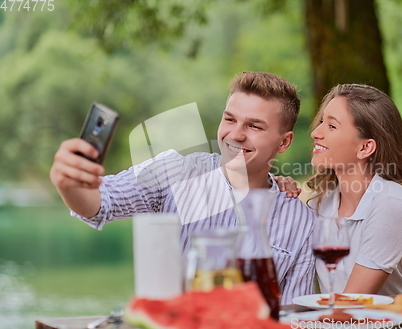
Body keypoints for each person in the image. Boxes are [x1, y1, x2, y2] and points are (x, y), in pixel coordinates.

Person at [50, 71, 316, 304]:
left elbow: (293, 318)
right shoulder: (176, 172)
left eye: (254, 126)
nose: (236, 135)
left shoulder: (301, 221)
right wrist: (71, 183)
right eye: (230, 119)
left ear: (284, 143)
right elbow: (100, 203)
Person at [306, 83, 402, 296]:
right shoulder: (320, 202)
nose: (315, 133)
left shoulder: (391, 203)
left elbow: (352, 303)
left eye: (332, 126)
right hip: (343, 325)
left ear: (365, 148)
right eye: (321, 122)